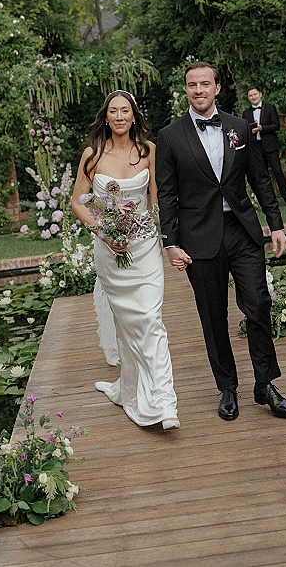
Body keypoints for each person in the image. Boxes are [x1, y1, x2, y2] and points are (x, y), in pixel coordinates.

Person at [156, 61, 286, 422]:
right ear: (185, 90)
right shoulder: (169, 137)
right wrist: (171, 242)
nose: (198, 90)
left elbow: (260, 179)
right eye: (191, 85)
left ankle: (265, 384)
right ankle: (227, 387)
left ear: (217, 87)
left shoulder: (239, 127)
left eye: (205, 84)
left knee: (259, 304)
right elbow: (166, 195)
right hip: (199, 237)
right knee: (213, 315)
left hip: (243, 231)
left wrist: (275, 224)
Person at [72, 91, 179, 431]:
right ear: (106, 117)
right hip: (110, 252)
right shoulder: (92, 155)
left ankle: (163, 401)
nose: (119, 116)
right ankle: (127, 389)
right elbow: (78, 203)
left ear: (134, 116)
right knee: (129, 325)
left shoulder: (149, 152)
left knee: (150, 319)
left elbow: (158, 202)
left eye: (125, 111)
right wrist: (103, 232)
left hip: (145, 249)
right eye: (113, 111)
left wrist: (174, 238)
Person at [241, 86, 286, 206]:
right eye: (250, 96)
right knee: (262, 176)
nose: (253, 97)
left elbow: (276, 126)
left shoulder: (270, 108)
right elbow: (244, 131)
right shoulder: (246, 113)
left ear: (260, 94)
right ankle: (269, 201)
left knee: (277, 172)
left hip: (270, 146)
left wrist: (262, 128)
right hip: (256, 148)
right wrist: (251, 131)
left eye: (255, 94)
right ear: (248, 98)